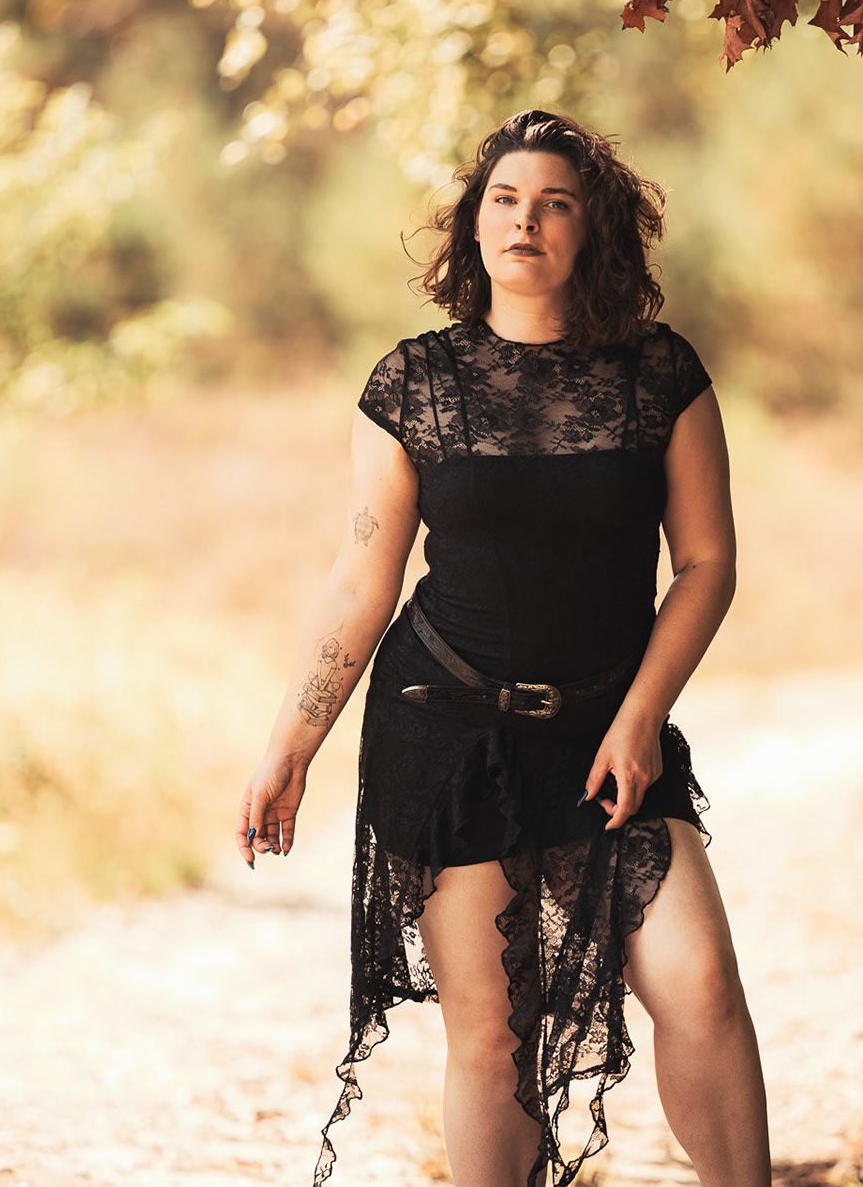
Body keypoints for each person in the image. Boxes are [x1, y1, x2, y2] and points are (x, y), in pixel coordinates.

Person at [235, 109, 770, 1187]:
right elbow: (362, 580)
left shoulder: (659, 375)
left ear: (591, 232)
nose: (526, 220)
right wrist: (290, 745)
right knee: (494, 1038)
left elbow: (706, 564)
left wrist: (639, 720)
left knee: (701, 983)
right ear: (474, 227)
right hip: (448, 734)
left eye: (555, 203)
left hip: (608, 732)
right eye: (505, 200)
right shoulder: (413, 384)